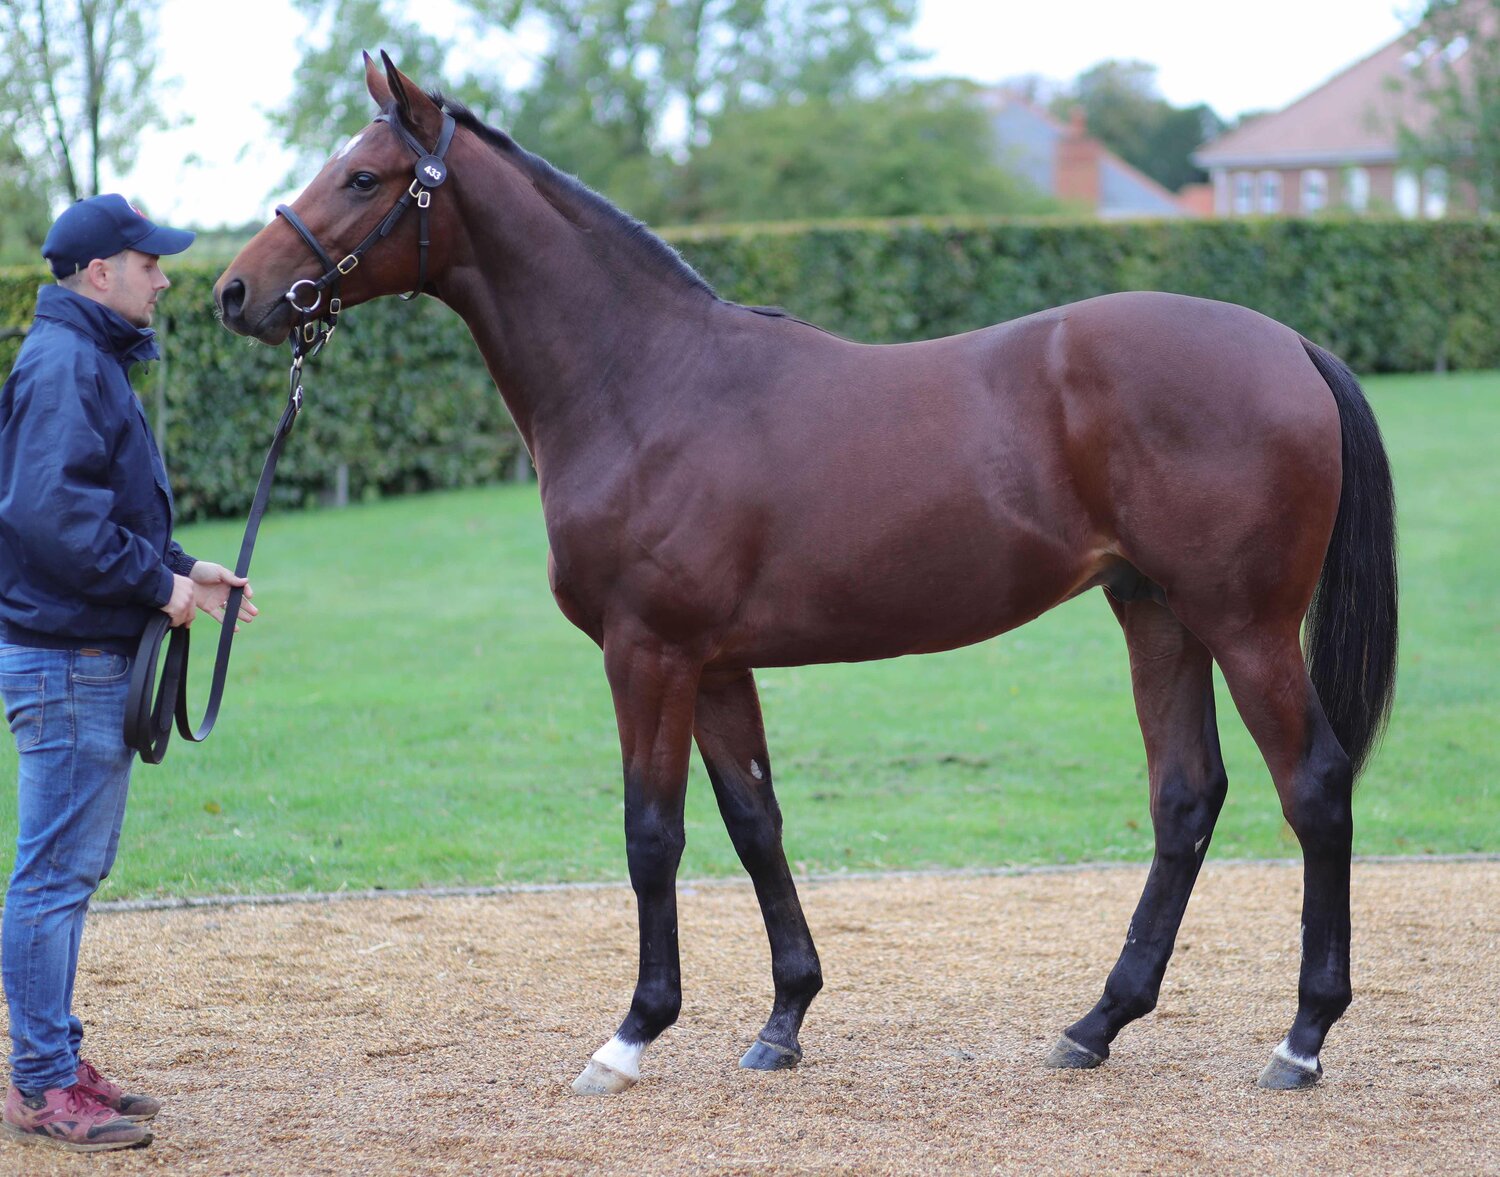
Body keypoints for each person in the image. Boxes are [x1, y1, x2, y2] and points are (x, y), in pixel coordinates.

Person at [0, 194, 258, 1153]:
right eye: (150, 262)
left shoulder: (81, 359)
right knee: (53, 879)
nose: (164, 275)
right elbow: (51, 522)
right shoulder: (67, 365)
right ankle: (39, 1083)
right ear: (100, 272)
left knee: (69, 870)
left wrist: (184, 568)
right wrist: (156, 582)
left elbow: (96, 510)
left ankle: (56, 1056)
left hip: (79, 654)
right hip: (68, 660)